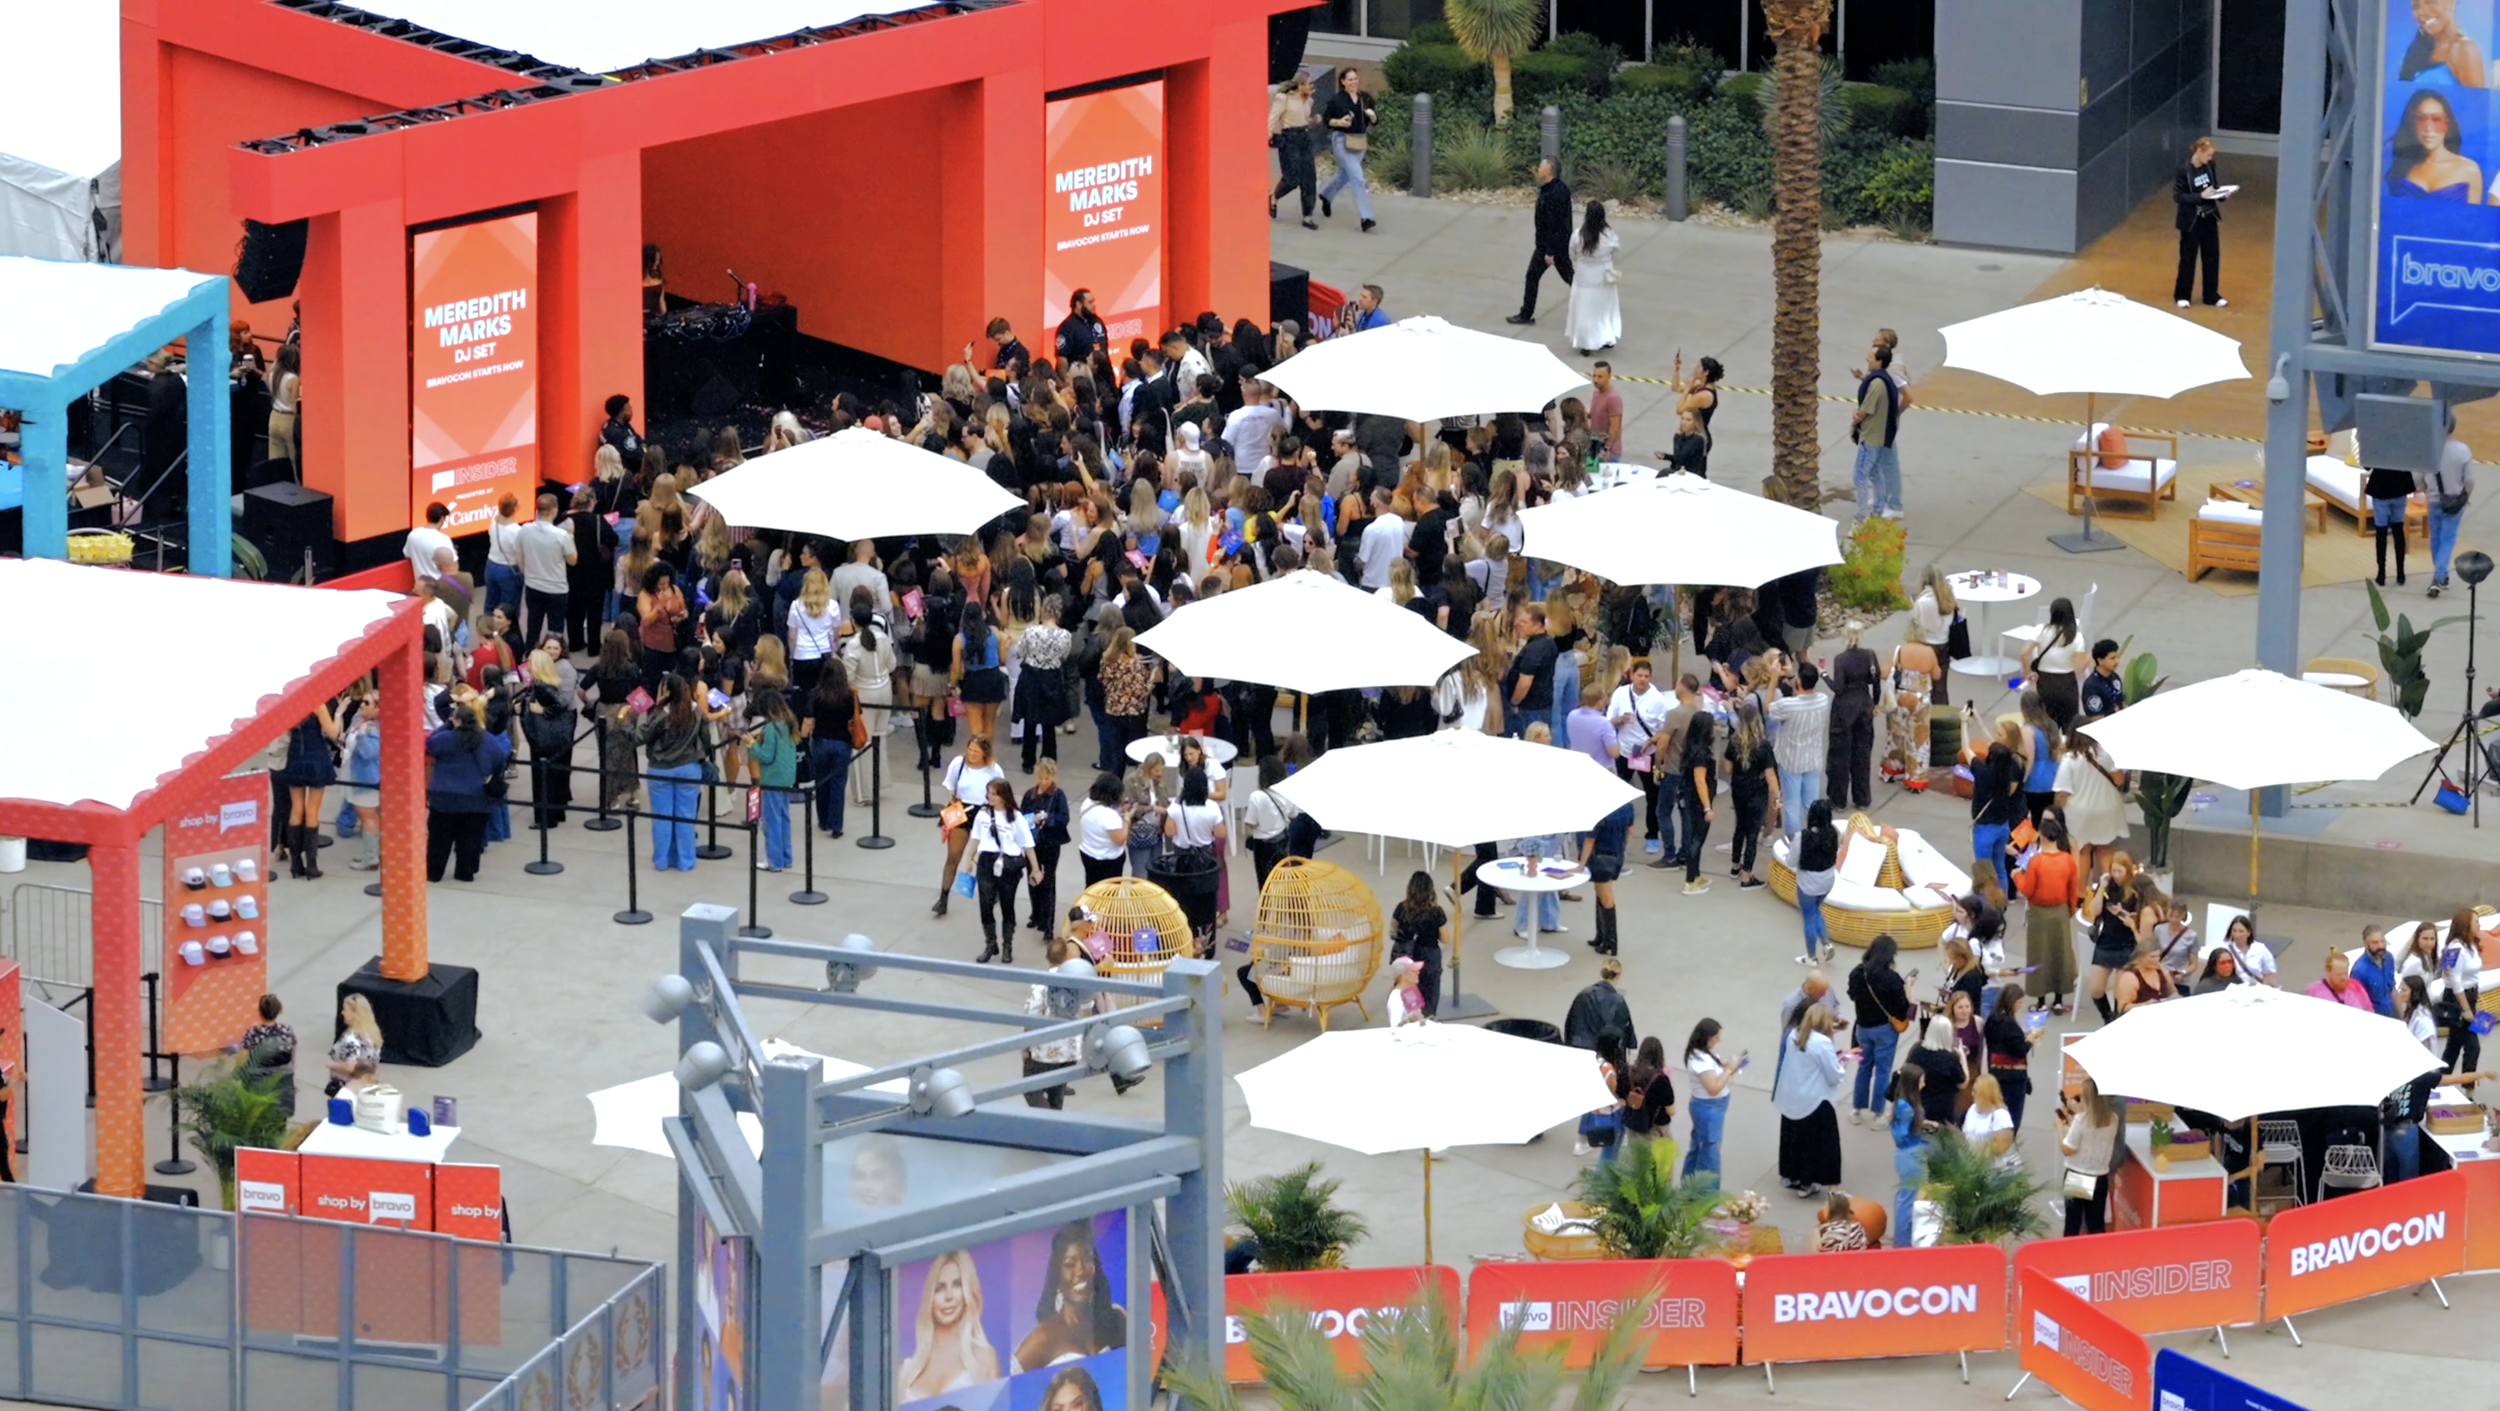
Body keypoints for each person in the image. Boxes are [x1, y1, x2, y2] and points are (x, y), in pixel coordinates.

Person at [1010, 1222, 1125, 1371]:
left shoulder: (1116, 1318)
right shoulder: (1044, 1338)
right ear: (1057, 1276)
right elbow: (1005, 1383)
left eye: (1087, 1259)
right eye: (1070, 1264)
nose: (1080, 1271)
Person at [631, 673, 713, 872]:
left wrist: (625, 722)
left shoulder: (660, 714)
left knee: (662, 818)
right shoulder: (696, 711)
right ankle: (686, 860)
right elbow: (706, 740)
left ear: (666, 691)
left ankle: (662, 860)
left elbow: (639, 737)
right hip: (689, 768)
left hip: (660, 769)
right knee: (686, 818)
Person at [424, 688, 508, 883]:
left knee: (439, 839)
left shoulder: (447, 738)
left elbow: (430, 744)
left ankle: (434, 872)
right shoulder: (487, 740)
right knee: (470, 839)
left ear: (457, 721)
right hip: (476, 798)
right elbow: (500, 760)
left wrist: (447, 726)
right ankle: (465, 872)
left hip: (444, 797)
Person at [1774, 1003, 1847, 1196]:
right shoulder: (1822, 1043)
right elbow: (1834, 1075)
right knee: (1827, 1144)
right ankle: (1833, 1188)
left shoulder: (1794, 1035)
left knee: (1799, 1142)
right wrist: (1843, 1064)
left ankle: (1803, 1182)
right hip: (1816, 1099)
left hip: (1794, 1097)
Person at [967, 777, 1041, 963]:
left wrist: (1035, 869)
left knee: (1007, 905)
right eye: (989, 793)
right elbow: (976, 838)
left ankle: (1007, 945)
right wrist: (969, 858)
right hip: (986, 862)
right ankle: (990, 943)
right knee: (985, 904)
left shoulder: (1016, 817)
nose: (990, 797)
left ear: (1004, 795)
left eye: (995, 794)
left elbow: (1028, 845)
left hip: (1009, 864)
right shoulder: (983, 814)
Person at [2014, 815, 2081, 1015]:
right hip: (2061, 911)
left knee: (2039, 954)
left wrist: (2016, 876)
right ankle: (2059, 1000)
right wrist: (2070, 909)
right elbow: (2073, 888)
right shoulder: (2067, 860)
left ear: (2042, 836)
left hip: (2039, 913)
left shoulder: (2036, 861)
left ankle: (2041, 1001)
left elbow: (2028, 890)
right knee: (2060, 953)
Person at [935, 735, 1008, 916]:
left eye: (976, 751)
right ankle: (943, 897)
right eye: (970, 750)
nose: (972, 754)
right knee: (953, 856)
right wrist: (953, 802)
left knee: (988, 856)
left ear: (985, 753)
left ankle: (994, 891)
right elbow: (950, 786)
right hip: (962, 811)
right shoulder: (958, 764)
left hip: (985, 812)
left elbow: (1002, 794)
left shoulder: (994, 770)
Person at [1846, 935, 1913, 1122]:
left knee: (1863, 1068)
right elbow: (1903, 1008)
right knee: (1883, 1071)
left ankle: (1857, 1110)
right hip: (1885, 1030)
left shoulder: (1857, 972)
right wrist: (1908, 990)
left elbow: (1852, 995)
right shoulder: (1892, 978)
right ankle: (1878, 1113)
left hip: (1862, 1027)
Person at [274, 700, 340, 879]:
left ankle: (296, 864)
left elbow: (286, 731)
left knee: (296, 808)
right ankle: (312, 865)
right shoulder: (317, 704)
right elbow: (332, 732)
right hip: (316, 757)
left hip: (295, 757)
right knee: (312, 810)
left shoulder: (289, 706)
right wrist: (338, 714)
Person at [2392, 88, 2487, 207]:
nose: (2428, 128)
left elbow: (2473, 216)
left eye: (2436, 119)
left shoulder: (2469, 169)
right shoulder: (2402, 167)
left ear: (2447, 124)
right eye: (2421, 119)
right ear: (2412, 123)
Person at [1508, 158, 1575, 325]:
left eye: (1541, 167)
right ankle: (1593, 302)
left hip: (1550, 246)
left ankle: (1526, 314)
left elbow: (1554, 224)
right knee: (1570, 277)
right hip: (1556, 245)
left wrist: (1550, 252)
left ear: (1548, 170)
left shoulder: (1553, 194)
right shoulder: (1556, 189)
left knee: (1533, 276)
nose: (1538, 169)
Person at [1768, 662, 1830, 838]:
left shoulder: (1788, 705)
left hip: (1790, 761)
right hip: (1813, 759)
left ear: (1799, 682)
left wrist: (1774, 678)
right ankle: (1815, 837)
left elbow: (1768, 707)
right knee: (1811, 803)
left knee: (1791, 805)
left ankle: (1794, 842)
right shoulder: (1823, 700)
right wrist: (1791, 676)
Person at [1963, 718, 2024, 893]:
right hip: (2002, 824)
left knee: (1984, 872)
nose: (1995, 738)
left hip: (1986, 826)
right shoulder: (2010, 763)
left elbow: (1966, 749)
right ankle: (2002, 900)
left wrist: (1964, 724)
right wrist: (1978, 721)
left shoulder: (1985, 772)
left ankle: (1987, 901)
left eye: (1999, 734)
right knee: (2000, 869)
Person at [1826, 622, 1881, 810]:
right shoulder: (1870, 655)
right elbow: (1876, 683)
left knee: (1840, 756)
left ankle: (1838, 799)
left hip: (1843, 710)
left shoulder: (1841, 659)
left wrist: (1824, 676)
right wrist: (1875, 703)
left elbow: (1838, 688)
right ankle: (1862, 797)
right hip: (1864, 706)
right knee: (1862, 754)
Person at [1316, 66, 1378, 233]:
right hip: (1342, 141)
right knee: (1357, 177)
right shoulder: (1337, 100)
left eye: (1355, 79)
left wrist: (1372, 116)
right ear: (1343, 82)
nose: (1353, 82)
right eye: (1350, 79)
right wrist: (1340, 122)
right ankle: (1366, 217)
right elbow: (1327, 120)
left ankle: (1326, 194)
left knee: (1345, 174)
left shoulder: (1365, 98)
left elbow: (1374, 121)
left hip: (1359, 141)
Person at [1723, 699, 1776, 890]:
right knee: (1752, 834)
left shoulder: (1734, 741)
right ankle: (1747, 876)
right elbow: (1770, 776)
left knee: (1740, 827)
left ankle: (1735, 865)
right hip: (1757, 792)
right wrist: (1777, 797)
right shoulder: (1763, 745)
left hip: (1738, 790)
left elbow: (1727, 768)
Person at [2058, 1078, 2122, 1235]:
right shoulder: (2113, 1119)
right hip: (2100, 1177)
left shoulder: (2081, 1120)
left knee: (2073, 1223)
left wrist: (2059, 1129)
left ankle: (2069, 1250)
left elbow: (2068, 1149)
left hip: (2078, 1176)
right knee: (2096, 1223)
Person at [2172, 136, 2230, 306]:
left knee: (2212, 256)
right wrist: (2200, 196)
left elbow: (2214, 187)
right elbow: (2178, 196)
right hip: (2191, 220)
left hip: (2209, 216)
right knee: (2188, 258)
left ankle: (2211, 295)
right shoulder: (2183, 169)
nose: (2210, 158)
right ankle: (2182, 295)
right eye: (2208, 155)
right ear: (2199, 151)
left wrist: (2222, 194)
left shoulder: (2210, 166)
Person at [1851, 344, 1903, 521]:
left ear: (1879, 361)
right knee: (1875, 473)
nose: (1867, 358)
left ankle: (1861, 516)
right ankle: (1878, 508)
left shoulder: (1877, 383)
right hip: (1881, 435)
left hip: (1871, 437)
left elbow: (1865, 411)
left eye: (1871, 356)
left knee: (1859, 476)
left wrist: (1856, 418)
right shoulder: (1883, 380)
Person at [1563, 200, 1621, 355]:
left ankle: (1586, 342)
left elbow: (1571, 254)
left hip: (1583, 278)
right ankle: (1607, 337)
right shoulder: (1609, 235)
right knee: (1604, 309)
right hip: (1604, 278)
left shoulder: (1578, 235)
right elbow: (1616, 252)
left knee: (1584, 310)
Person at [1579, 796, 1635, 957]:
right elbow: (1630, 831)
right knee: (1601, 894)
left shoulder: (1599, 812)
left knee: (1605, 897)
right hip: (1616, 855)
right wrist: (1623, 850)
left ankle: (1610, 941)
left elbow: (1590, 840)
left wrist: (1581, 864)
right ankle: (1601, 936)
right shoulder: (1627, 807)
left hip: (1600, 856)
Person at [1683, 1019, 1737, 1179]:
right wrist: (1729, 1069)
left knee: (1699, 1146)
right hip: (1709, 1109)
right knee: (1709, 1153)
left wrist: (1725, 1067)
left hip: (1709, 1108)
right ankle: (1705, 1190)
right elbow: (1713, 1088)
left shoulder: (1704, 1055)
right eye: (1715, 1037)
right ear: (1706, 1037)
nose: (1718, 1040)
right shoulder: (1700, 1060)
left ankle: (1688, 1184)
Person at [1388, 870, 1446, 1019]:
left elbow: (1392, 932)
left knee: (1409, 995)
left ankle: (1409, 1020)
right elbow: (1445, 938)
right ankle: (1428, 1020)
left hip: (1407, 957)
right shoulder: (1436, 912)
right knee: (1430, 995)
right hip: (1429, 956)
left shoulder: (1401, 908)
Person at [1021, 761, 1071, 934]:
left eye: (1047, 778)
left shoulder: (1058, 795)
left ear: (1053, 777)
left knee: (1048, 880)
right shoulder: (1030, 795)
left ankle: (1048, 922)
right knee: (1033, 877)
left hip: (1051, 842)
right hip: (1033, 843)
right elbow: (1021, 817)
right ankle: (1035, 913)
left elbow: (1064, 818)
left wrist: (1048, 818)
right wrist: (1032, 819)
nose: (1043, 782)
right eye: (1041, 778)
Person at [1887, 1068, 1935, 1247]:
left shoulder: (1904, 1103)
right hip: (1911, 1154)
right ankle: (1902, 1242)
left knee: (1905, 1196)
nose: (1924, 1084)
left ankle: (1902, 1238)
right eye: (1921, 1080)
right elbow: (1901, 1134)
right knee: (1908, 1199)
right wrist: (1920, 1130)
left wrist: (1923, 1124)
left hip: (1909, 1153)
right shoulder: (1906, 1107)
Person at [2426, 425, 2475, 597]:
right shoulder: (2463, 450)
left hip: (2433, 499)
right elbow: (2469, 481)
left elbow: (2418, 478)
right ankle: (2439, 577)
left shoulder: (2429, 450)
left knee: (2436, 537)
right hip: (2455, 500)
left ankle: (2441, 575)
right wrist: (2465, 496)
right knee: (2448, 539)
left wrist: (2425, 490)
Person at [232, 994, 299, 1117]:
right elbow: (293, 1056)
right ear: (279, 1011)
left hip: (259, 1081)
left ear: (260, 1012)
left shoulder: (253, 1033)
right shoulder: (287, 1030)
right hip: (282, 1079)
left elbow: (242, 1059)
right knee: (281, 1115)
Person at [1982, 984, 2035, 1130]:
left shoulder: (1992, 1019)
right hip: (2013, 1078)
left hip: (1995, 1072)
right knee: (2012, 1118)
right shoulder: (2009, 1024)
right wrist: (2030, 1040)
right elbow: (2019, 1050)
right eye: (2019, 1002)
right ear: (2012, 1001)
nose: (2020, 1005)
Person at [1269, 74, 1319, 228]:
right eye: (1309, 84)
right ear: (1300, 85)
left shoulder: (1308, 100)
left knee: (1309, 178)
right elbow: (1273, 117)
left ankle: (1307, 216)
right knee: (1292, 178)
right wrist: (1268, 133)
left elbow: (1305, 118)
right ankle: (1274, 197)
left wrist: (1314, 120)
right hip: (1289, 138)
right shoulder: (1284, 98)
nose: (1312, 87)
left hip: (1304, 137)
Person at [1793, 800, 1840, 964]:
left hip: (1807, 884)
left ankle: (1811, 957)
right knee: (1815, 911)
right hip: (1827, 881)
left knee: (1809, 917)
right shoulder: (1834, 833)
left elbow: (1791, 860)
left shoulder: (1802, 837)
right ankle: (1826, 943)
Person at [2025, 598, 2083, 731]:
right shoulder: (2076, 637)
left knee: (2046, 725)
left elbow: (2024, 653)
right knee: (2070, 725)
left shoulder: (2040, 630)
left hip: (2045, 681)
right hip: (2067, 682)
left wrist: (2027, 672)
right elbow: (2079, 668)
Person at [2401, 0, 2489, 86]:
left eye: (2430, 2)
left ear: (2451, 2)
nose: (2422, 12)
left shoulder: (2463, 49)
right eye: (2416, 6)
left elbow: (2475, 96)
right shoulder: (2419, 49)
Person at [1564, 957, 1635, 1053]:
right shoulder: (1618, 1001)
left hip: (1579, 1046)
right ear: (1618, 976)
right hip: (1602, 1052)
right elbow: (1623, 1029)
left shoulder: (1583, 995)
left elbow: (1570, 1023)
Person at [2368, 456, 2419, 587]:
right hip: (2400, 486)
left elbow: (2367, 465)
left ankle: (2381, 573)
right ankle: (2400, 573)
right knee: (2398, 530)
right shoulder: (2402, 444)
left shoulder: (2377, 445)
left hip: (2380, 487)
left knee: (2381, 533)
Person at [1578, 1034, 1629, 1162]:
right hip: (1611, 1114)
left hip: (1597, 1112)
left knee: (1607, 1148)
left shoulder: (1593, 1062)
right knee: (1610, 1152)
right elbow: (1613, 1091)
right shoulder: (1608, 1070)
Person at [322, 993, 384, 1099]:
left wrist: (332, 1064)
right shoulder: (373, 1035)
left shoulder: (351, 1039)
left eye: (345, 1010)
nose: (342, 1013)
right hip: (366, 1086)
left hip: (348, 1088)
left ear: (355, 1014)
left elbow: (350, 1067)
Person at [1963, 1073, 2017, 1166]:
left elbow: (2002, 1147)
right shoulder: (1972, 1109)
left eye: (1975, 1092)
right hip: (1972, 1163)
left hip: (1995, 1166)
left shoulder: (2000, 1115)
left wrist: (1980, 1149)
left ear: (1985, 1094)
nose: (1972, 1094)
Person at [405, 501, 459, 585]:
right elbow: (452, 567)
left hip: (421, 587)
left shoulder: (412, 535)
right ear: (442, 519)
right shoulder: (443, 540)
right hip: (439, 587)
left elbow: (407, 554)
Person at [2220, 913, 2278, 986]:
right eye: (2234, 931)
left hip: (2257, 987)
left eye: (2241, 931)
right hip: (2235, 987)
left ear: (2248, 933)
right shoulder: (2226, 950)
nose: (2237, 935)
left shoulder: (2260, 948)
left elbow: (2269, 972)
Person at [1055, 289, 1105, 365]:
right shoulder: (1067, 328)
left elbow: (1105, 349)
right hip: (1081, 371)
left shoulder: (1097, 321)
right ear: (1078, 304)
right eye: (1090, 302)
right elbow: (1062, 359)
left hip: (1102, 371)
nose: (1094, 305)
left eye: (1094, 301)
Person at [2079, 638, 2126, 719]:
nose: (2117, 661)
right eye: (2112, 658)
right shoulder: (2091, 686)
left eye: (2117, 657)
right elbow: (2096, 717)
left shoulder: (2115, 677)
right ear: (2100, 661)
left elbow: (2121, 702)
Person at [1588, 361, 1626, 461]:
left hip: (1607, 453)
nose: (1595, 380)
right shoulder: (1596, 393)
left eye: (1600, 377)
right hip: (1594, 447)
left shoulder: (1613, 398)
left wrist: (1606, 448)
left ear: (1609, 376)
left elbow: (1614, 426)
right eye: (1594, 376)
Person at [1385, 955, 1428, 1028]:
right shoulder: (1396, 998)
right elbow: (1395, 1028)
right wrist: (1409, 1020)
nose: (1418, 972)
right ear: (1403, 975)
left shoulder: (1412, 991)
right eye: (1413, 971)